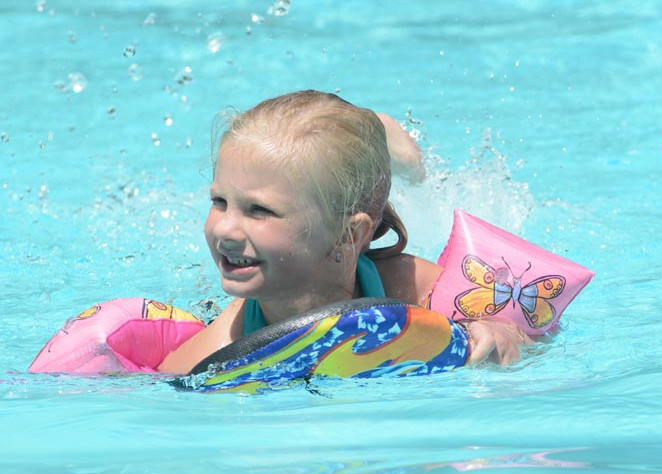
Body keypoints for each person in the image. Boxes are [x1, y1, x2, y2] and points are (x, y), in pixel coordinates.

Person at [158, 90, 529, 374]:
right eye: (219, 201)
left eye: (259, 210)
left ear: (348, 236)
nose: (224, 228)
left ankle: (382, 141)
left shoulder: (405, 285)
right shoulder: (227, 343)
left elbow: (524, 328)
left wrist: (501, 333)